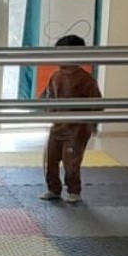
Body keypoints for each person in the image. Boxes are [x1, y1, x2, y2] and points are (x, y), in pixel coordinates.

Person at [39, 35, 103, 204]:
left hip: (76, 129)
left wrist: (93, 123)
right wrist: (46, 110)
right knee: (51, 159)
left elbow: (97, 102)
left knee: (71, 162)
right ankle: (53, 189)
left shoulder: (86, 79)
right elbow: (49, 97)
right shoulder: (55, 76)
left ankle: (74, 190)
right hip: (57, 128)